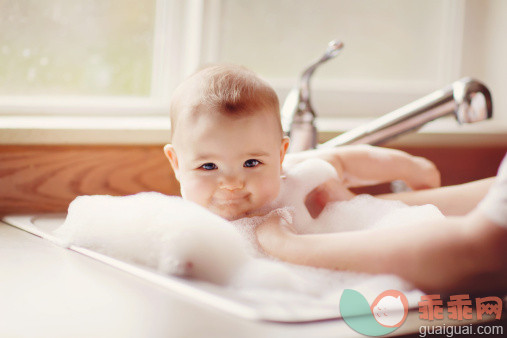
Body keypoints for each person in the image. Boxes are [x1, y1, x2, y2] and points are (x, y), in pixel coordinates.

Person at [164, 64, 507, 294]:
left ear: (281, 154)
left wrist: (410, 168)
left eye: (252, 162)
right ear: (176, 163)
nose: (233, 183)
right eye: (208, 167)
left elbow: (346, 161)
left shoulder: (294, 178)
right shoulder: (182, 223)